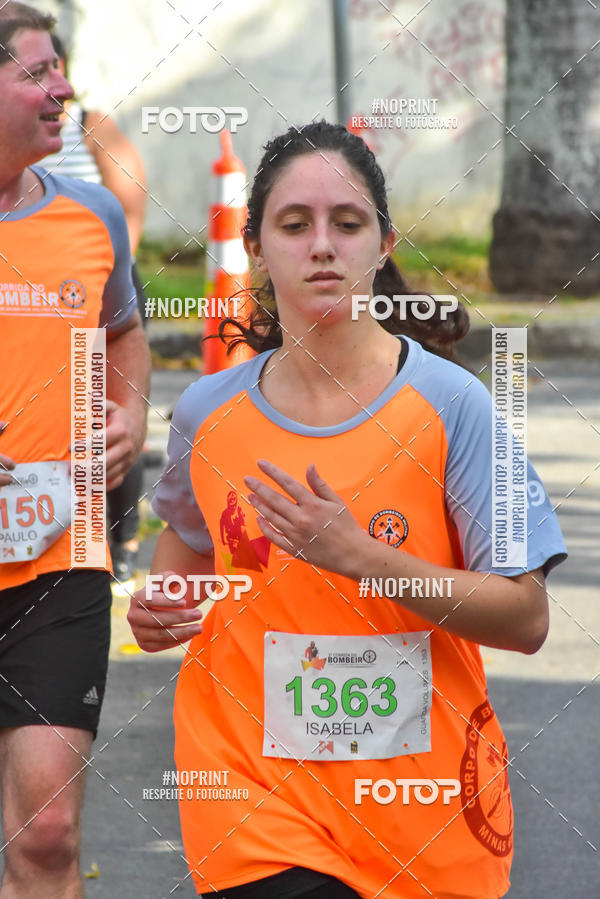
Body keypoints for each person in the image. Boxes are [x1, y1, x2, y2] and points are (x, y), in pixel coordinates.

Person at [128, 121, 567, 899]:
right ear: (256, 249)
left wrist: (363, 558)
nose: (323, 246)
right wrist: (163, 602)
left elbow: (525, 616)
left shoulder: (452, 406)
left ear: (383, 244)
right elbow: (189, 546)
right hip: (252, 793)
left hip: (421, 807)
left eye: (348, 223)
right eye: (295, 224)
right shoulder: (207, 411)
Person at [0, 3, 150, 897]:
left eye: (59, 68)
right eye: (36, 73)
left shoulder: (92, 214)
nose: (64, 89)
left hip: (59, 558)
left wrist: (129, 412)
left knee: (48, 833)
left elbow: (123, 332)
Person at [41, 33, 148, 591]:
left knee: (106, 416)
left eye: (52, 66)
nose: (51, 82)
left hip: (93, 286)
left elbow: (129, 202)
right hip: (33, 293)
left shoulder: (88, 122)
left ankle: (121, 538)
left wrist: (103, 277)